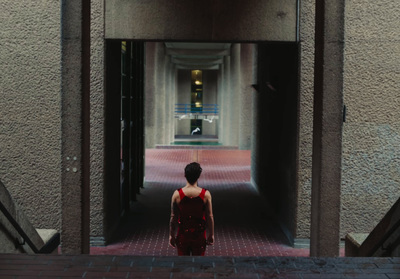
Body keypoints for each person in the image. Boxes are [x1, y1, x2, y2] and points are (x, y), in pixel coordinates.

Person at [169, 162, 214, 256]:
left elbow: (173, 217)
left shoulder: (177, 194)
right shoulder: (205, 194)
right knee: (199, 263)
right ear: (198, 176)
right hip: (199, 235)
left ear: (185, 175)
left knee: (183, 263)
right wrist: (211, 234)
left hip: (183, 235)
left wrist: (171, 235)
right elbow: (209, 216)